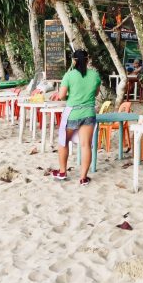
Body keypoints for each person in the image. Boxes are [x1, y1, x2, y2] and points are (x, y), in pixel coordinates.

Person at [52, 50, 101, 185]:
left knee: (63, 142)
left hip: (72, 113)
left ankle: (62, 172)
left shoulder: (69, 75)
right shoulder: (95, 75)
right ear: (87, 60)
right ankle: (83, 178)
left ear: (74, 61)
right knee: (86, 146)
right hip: (89, 113)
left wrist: (70, 96)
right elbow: (95, 94)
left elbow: (61, 96)